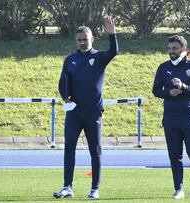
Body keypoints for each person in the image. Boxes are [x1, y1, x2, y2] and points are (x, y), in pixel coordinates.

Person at [54, 16, 118, 200]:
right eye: (79, 40)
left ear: (92, 39)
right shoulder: (70, 60)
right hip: (74, 113)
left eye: (85, 39)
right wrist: (65, 97)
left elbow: (114, 51)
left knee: (95, 151)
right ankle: (67, 187)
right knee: (69, 148)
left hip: (93, 113)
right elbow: (62, 82)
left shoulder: (99, 57)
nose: (82, 42)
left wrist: (112, 35)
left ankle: (94, 189)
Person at [152, 35, 190, 199]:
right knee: (175, 155)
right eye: (169, 49)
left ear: (183, 48)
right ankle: (179, 189)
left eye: (174, 49)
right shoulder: (163, 67)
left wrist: (183, 86)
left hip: (189, 115)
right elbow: (155, 90)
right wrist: (169, 92)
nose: (171, 52)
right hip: (170, 116)